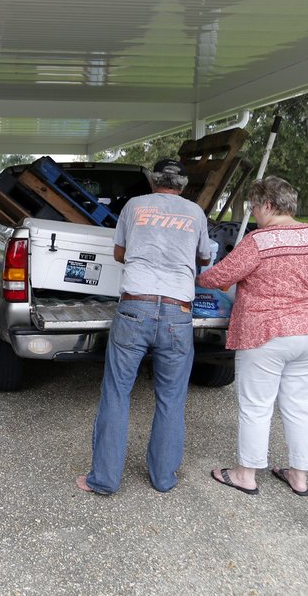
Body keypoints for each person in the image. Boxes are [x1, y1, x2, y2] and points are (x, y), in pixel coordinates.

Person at [77, 159, 211, 494]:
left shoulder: (135, 206)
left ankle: (104, 480)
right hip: (178, 313)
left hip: (135, 307)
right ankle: (163, 478)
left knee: (117, 393)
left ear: (153, 182)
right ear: (182, 185)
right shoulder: (195, 212)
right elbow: (205, 257)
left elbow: (120, 253)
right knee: (171, 398)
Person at [198, 176, 308, 497]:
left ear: (268, 205)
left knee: (256, 406)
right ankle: (299, 477)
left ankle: (246, 474)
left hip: (266, 334)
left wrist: (196, 273)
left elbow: (220, 276)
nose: (254, 213)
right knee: (300, 407)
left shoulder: (259, 241)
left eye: (254, 207)